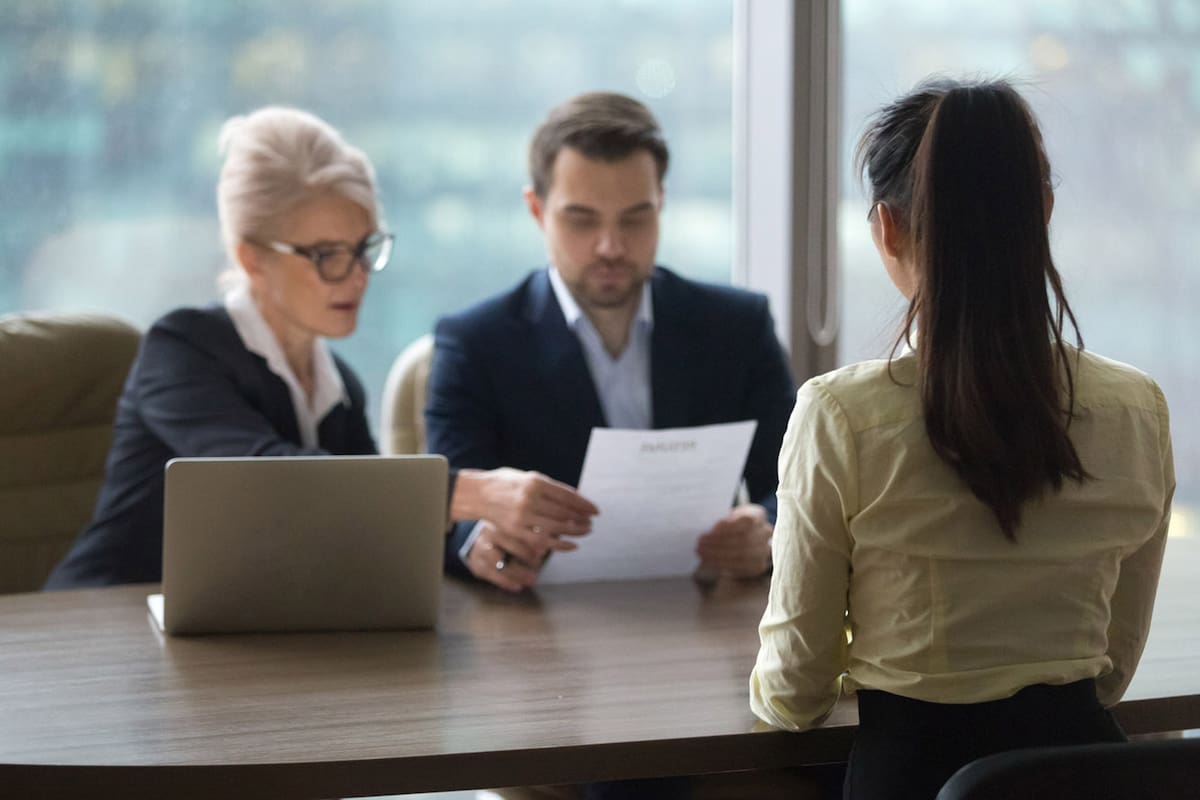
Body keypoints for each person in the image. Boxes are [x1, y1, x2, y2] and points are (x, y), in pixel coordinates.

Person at [750, 78, 1175, 800]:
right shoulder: (1136, 408)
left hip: (911, 779)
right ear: (1042, 212)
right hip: (1090, 781)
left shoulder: (841, 416)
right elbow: (1112, 667)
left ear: (886, 227)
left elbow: (795, 693)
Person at [45, 106, 596, 590]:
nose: (357, 277)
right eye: (328, 255)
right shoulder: (181, 350)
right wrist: (470, 492)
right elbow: (271, 476)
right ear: (251, 258)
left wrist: (473, 546)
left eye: (365, 249)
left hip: (236, 642)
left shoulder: (338, 386)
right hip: (103, 625)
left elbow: (370, 520)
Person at [425, 91, 797, 594]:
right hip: (534, 632)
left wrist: (768, 531)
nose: (610, 246)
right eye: (581, 220)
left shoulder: (738, 327)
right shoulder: (473, 342)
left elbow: (796, 486)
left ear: (661, 203)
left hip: (705, 616)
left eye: (635, 217)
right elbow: (442, 506)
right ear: (537, 211)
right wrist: (478, 543)